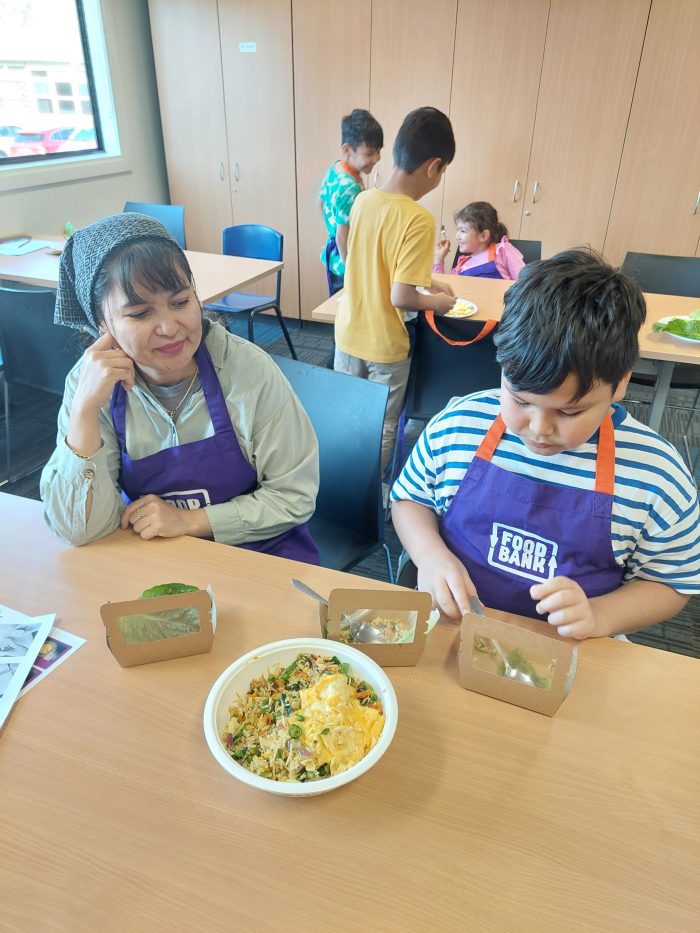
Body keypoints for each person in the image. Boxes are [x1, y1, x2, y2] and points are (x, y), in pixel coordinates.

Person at [391, 249, 700, 639]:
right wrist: (430, 557)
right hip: (453, 628)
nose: (539, 428)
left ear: (620, 382)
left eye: (570, 412)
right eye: (520, 401)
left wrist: (598, 615)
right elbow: (409, 499)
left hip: (570, 649)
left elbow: (672, 582)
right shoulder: (459, 425)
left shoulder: (655, 474)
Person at [41, 213, 321, 563]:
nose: (169, 328)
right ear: (102, 324)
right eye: (140, 314)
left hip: (261, 555)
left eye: (180, 302)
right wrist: (83, 413)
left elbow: (293, 497)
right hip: (158, 557)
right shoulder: (90, 384)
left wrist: (189, 520)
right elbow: (78, 529)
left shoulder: (247, 370)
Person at [334, 106, 457, 474]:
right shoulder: (418, 218)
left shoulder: (363, 200)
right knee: (384, 425)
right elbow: (401, 296)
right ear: (434, 166)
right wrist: (440, 302)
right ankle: (369, 494)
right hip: (385, 346)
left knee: (345, 416)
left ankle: (340, 482)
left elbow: (376, 265)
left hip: (347, 335)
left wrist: (430, 279)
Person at [319, 108, 383, 296]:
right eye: (370, 153)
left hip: (334, 256)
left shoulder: (337, 168)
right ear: (347, 150)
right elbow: (342, 235)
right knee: (348, 312)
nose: (376, 159)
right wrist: (351, 271)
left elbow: (320, 202)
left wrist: (329, 227)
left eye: (378, 152)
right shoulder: (349, 187)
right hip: (345, 262)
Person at [433, 201, 525, 280]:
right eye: (458, 229)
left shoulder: (502, 250)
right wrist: (438, 260)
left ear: (483, 235)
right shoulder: (462, 264)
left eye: (463, 231)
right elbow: (444, 290)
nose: (457, 236)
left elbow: (525, 283)